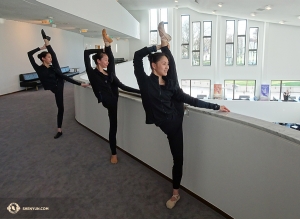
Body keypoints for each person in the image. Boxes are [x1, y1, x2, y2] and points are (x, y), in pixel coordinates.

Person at [133, 22, 230, 209]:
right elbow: (138, 56)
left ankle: (175, 194)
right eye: (164, 64)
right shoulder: (145, 82)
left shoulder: (171, 84)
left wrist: (216, 105)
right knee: (175, 83)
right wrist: (157, 47)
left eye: (167, 63)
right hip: (165, 122)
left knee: (178, 159)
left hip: (176, 123)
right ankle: (164, 42)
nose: (167, 67)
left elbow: (192, 100)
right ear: (153, 65)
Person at [84, 29, 140, 164]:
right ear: (98, 61)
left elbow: (123, 87)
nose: (108, 62)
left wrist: (142, 92)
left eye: (108, 60)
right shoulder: (92, 73)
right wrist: (99, 51)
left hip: (114, 98)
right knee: (113, 127)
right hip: (108, 101)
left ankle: (107, 44)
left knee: (113, 126)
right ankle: (113, 153)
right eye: (105, 60)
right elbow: (86, 54)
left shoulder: (110, 74)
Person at [27, 29, 89, 139]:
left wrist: (79, 84)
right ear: (43, 59)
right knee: (60, 106)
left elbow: (64, 77)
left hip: (59, 85)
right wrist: (40, 48)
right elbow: (29, 54)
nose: (50, 59)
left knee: (61, 108)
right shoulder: (38, 69)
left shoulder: (53, 68)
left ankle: (59, 130)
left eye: (50, 57)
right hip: (52, 87)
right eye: (48, 57)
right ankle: (46, 42)